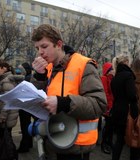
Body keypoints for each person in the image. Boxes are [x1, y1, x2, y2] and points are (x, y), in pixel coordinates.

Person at [31, 24, 107, 160]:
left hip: (76, 146)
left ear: (58, 44)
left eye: (44, 46)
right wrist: (39, 77)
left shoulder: (84, 65)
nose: (40, 52)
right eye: (37, 48)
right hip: (53, 140)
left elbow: (99, 104)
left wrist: (64, 103)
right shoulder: (47, 68)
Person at [110, 54, 139, 160]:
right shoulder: (128, 75)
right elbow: (131, 95)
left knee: (119, 139)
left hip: (117, 110)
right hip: (129, 112)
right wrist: (136, 97)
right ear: (126, 62)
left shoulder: (115, 77)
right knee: (133, 138)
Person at [16, 62, 36, 153]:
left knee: (25, 126)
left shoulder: (26, 79)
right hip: (31, 105)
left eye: (21, 70)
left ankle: (24, 146)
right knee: (27, 125)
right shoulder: (30, 77)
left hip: (25, 105)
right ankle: (29, 143)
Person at [100, 62, 114, 154]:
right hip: (108, 106)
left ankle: (109, 142)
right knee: (108, 126)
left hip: (112, 105)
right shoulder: (104, 79)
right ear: (108, 70)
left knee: (111, 126)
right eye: (112, 69)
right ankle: (104, 143)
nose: (113, 70)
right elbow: (106, 94)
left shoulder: (111, 78)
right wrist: (109, 107)